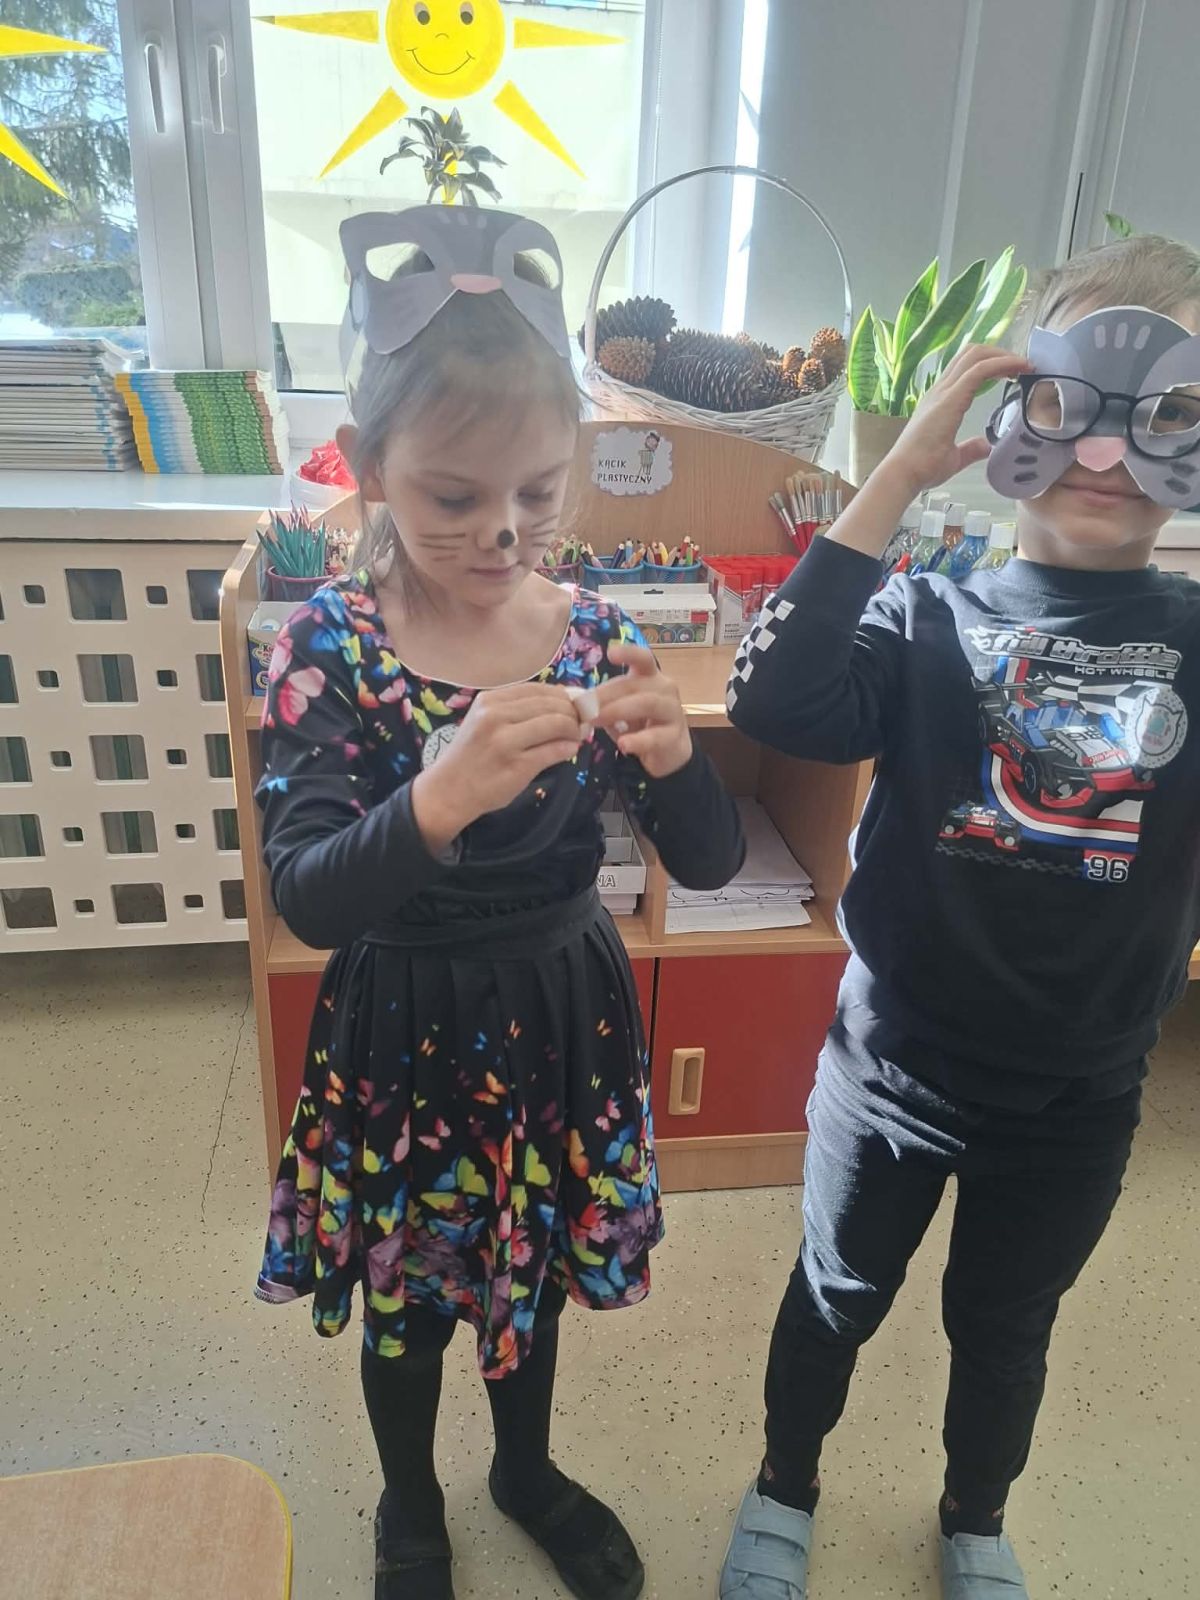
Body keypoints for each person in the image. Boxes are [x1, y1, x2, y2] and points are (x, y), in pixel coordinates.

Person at [253, 205, 744, 1600]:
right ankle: (410, 1501)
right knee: (410, 1299)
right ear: (369, 469)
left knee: (527, 1273)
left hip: (557, 1015)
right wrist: (438, 796)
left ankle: (523, 1471)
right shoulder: (331, 644)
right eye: (454, 499)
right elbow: (307, 896)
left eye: (537, 491)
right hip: (403, 1024)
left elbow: (709, 864)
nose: (503, 532)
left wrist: (679, 759)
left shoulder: (594, 633)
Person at [719, 234, 1200, 1600]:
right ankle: (784, 1484)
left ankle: (975, 1518)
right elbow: (772, 698)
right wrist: (894, 480)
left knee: (1005, 1332)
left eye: (1167, 411)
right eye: (1070, 399)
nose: (1106, 449)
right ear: (1013, 411)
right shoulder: (923, 612)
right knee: (834, 1296)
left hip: (1078, 1099)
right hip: (891, 1072)